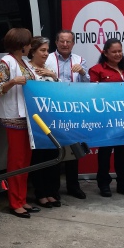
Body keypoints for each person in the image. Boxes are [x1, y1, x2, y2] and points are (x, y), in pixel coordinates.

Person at [0, 28, 41, 218]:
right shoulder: (6, 63)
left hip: (26, 116)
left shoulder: (24, 62)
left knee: (25, 160)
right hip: (14, 117)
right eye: (29, 44)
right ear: (22, 46)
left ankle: (21, 199)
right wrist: (12, 82)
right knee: (17, 161)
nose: (31, 47)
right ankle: (15, 202)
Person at [89, 38, 124, 198]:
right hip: (105, 119)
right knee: (104, 152)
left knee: (121, 152)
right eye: (114, 51)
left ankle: (123, 183)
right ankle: (104, 183)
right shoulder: (96, 70)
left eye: (120, 51)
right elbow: (94, 95)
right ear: (105, 53)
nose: (118, 54)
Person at [43, 30, 89, 199]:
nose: (65, 44)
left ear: (73, 43)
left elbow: (87, 85)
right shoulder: (46, 59)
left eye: (68, 41)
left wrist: (83, 73)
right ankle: (53, 189)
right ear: (56, 42)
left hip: (73, 110)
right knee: (55, 149)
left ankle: (73, 186)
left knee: (73, 148)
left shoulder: (80, 60)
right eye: (61, 41)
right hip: (52, 110)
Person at [25, 36, 62, 208]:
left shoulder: (49, 69)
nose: (46, 54)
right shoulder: (28, 70)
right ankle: (40, 193)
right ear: (33, 51)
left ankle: (52, 192)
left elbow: (61, 91)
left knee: (54, 155)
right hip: (36, 122)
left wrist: (53, 76)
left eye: (47, 50)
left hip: (52, 120)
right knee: (39, 158)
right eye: (43, 50)